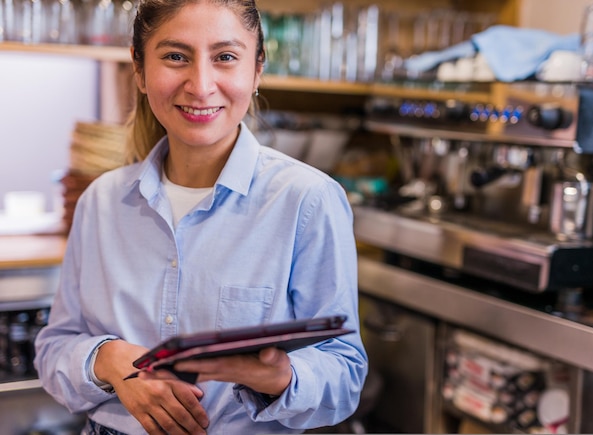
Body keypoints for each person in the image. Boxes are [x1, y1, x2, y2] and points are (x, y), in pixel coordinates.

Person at [33, 0, 368, 434]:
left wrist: (277, 377)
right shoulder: (102, 201)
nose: (201, 85)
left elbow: (344, 376)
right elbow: (53, 350)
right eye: (176, 57)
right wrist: (110, 360)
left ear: (257, 69)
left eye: (225, 57)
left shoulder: (308, 200)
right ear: (139, 68)